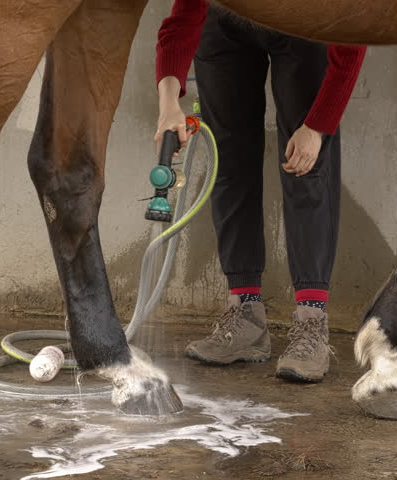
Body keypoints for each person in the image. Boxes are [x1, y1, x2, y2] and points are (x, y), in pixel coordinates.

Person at [154, 0, 366, 383]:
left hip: (304, 21)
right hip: (227, 22)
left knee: (305, 163)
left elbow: (352, 33)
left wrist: (317, 128)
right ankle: (246, 314)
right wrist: (168, 102)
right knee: (228, 158)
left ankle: (311, 321)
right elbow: (182, 20)